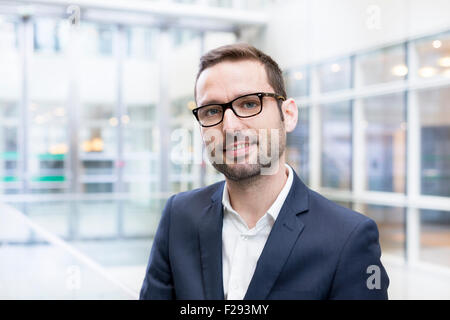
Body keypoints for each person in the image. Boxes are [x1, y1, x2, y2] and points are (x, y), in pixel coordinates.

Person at [140, 43, 389, 300]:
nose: (230, 127)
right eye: (212, 111)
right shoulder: (179, 216)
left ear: (288, 115)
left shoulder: (348, 238)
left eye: (249, 104)